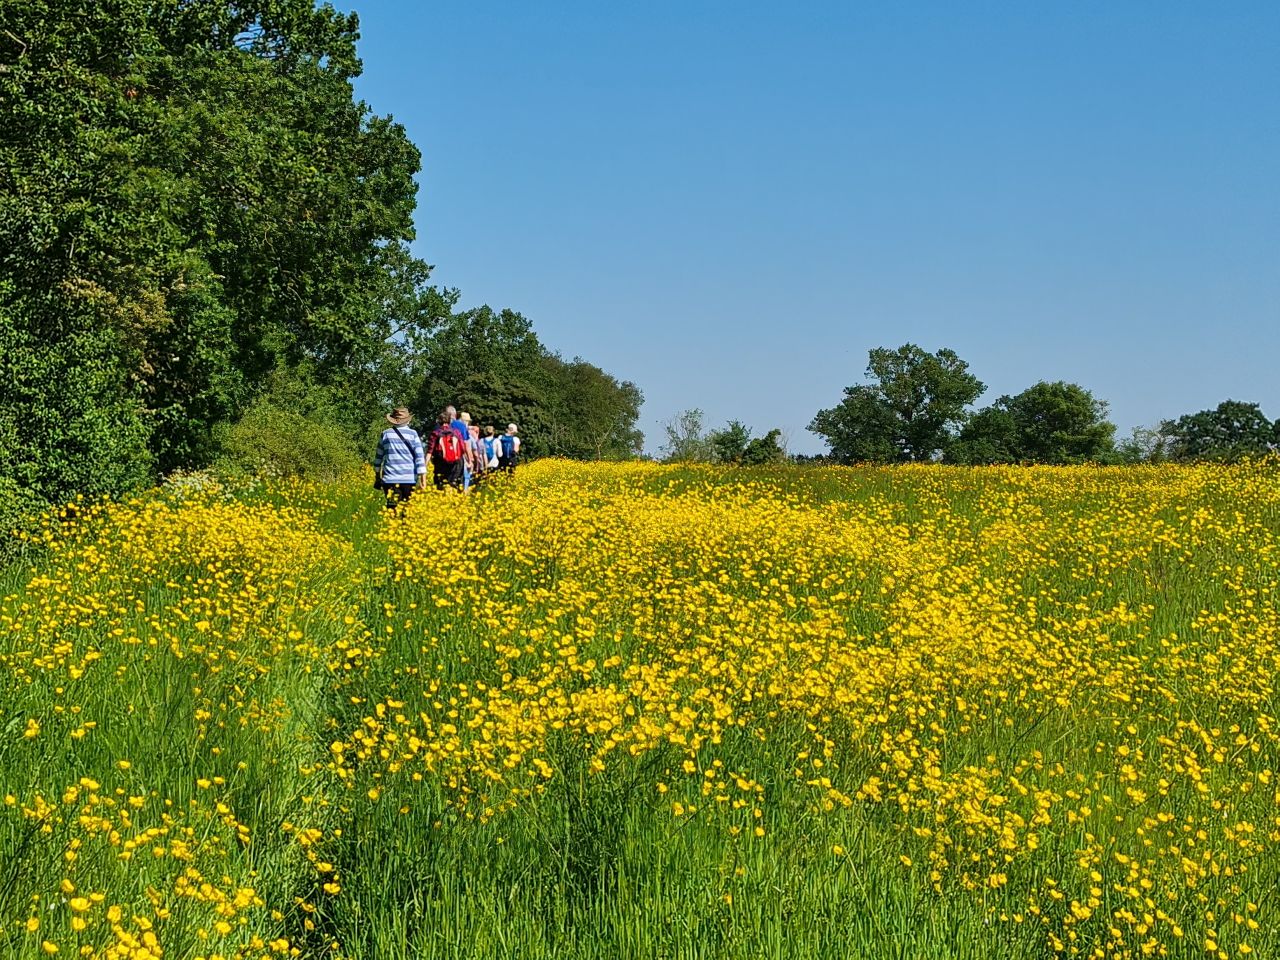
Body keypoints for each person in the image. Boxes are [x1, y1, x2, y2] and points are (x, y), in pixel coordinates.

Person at [373, 407, 426, 506]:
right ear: (408, 420)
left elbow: (378, 458)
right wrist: (423, 478)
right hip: (409, 479)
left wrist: (377, 475)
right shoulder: (413, 434)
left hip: (389, 479)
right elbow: (419, 457)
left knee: (392, 510)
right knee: (407, 511)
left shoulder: (385, 434)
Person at [427, 412, 466, 490]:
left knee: (441, 484)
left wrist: (425, 465)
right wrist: (468, 461)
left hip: (441, 462)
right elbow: (462, 448)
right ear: (450, 421)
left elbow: (430, 451)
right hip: (457, 462)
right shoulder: (456, 432)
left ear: (439, 421)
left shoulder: (435, 433)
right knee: (455, 484)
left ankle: (443, 499)